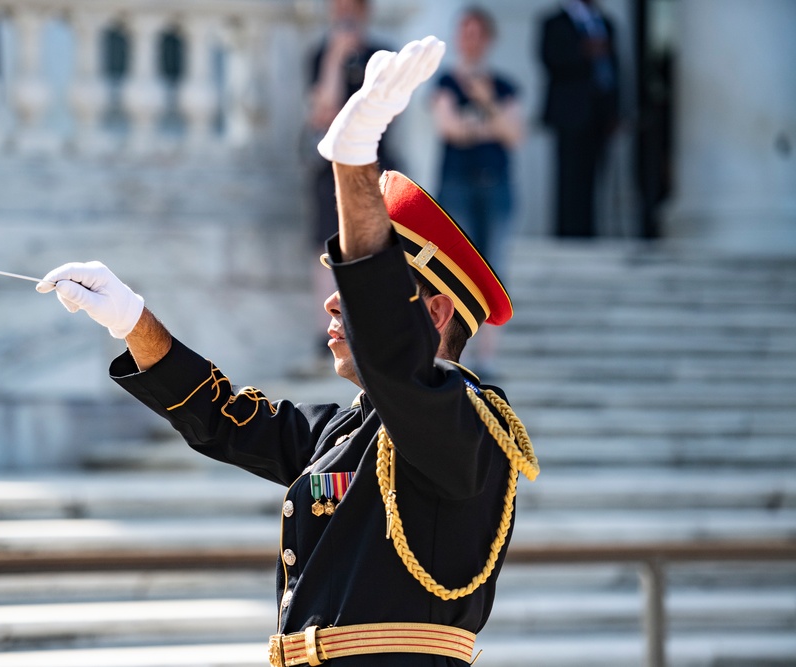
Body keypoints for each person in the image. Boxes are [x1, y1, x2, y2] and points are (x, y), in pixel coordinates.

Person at [37, 37, 537, 666]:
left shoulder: (466, 422)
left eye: (354, 288)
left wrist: (352, 164)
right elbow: (226, 419)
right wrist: (135, 323)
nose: (333, 302)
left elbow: (396, 360)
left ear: (433, 314)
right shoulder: (351, 431)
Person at [432, 5, 524, 377]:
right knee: (454, 269)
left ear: (487, 39)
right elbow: (449, 129)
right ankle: (457, 354)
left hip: (496, 185)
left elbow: (515, 134)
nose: (468, 40)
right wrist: (491, 124)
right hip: (456, 185)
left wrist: (483, 103)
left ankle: (488, 358)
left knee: (494, 268)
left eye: (476, 33)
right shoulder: (445, 83)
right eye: (463, 32)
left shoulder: (502, 86)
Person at [305, 0, 396, 350]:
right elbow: (321, 111)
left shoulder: (381, 56)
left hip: (374, 164)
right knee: (325, 249)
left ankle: (370, 329)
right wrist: (334, 58)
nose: (344, 11)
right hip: (329, 168)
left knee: (373, 248)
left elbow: (386, 114)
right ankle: (325, 333)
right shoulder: (319, 56)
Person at [538, 0, 619, 238]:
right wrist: (583, 50)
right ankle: (567, 232)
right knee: (569, 176)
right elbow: (549, 59)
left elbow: (615, 70)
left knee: (594, 176)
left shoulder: (606, 23)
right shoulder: (554, 22)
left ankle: (589, 231)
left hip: (599, 114)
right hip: (569, 113)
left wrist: (615, 110)